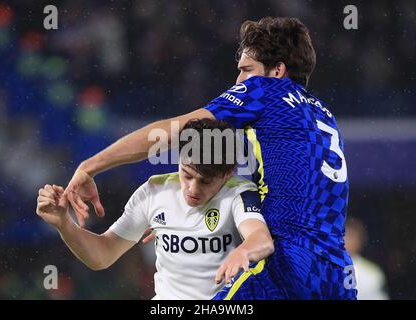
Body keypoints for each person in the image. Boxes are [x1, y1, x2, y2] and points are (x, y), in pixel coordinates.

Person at [64, 17, 357, 299]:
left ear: (277, 71)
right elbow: (281, 183)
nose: (238, 80)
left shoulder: (264, 91)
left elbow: (174, 132)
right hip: (336, 271)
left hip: (288, 263)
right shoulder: (323, 116)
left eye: (247, 69)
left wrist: (91, 166)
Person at [37, 119, 274, 299]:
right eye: (187, 175)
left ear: (226, 174)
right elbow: (102, 255)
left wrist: (243, 251)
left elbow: (261, 239)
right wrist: (64, 224)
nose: (192, 188)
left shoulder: (239, 192)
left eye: (205, 181)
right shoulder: (154, 191)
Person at [345, 219, 389, 300]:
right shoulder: (323, 266)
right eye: (344, 236)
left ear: (360, 241)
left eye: (351, 236)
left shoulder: (372, 272)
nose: (346, 241)